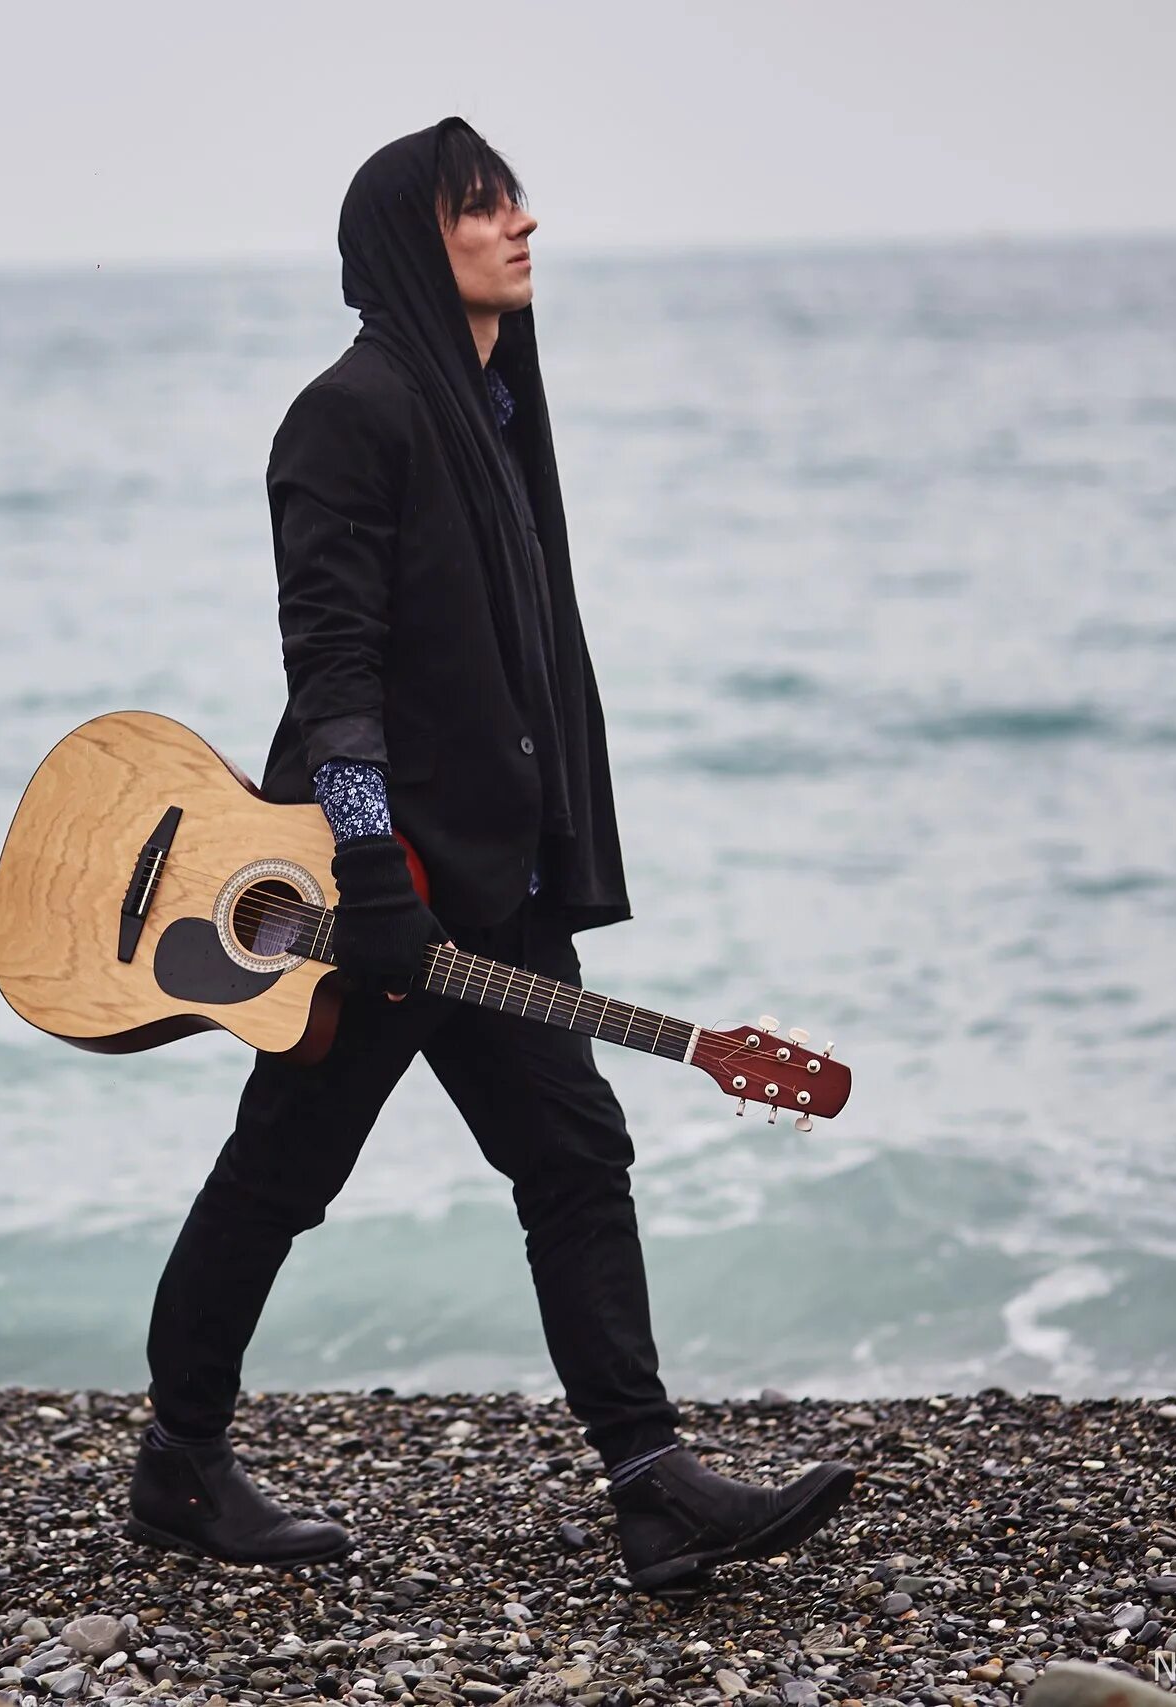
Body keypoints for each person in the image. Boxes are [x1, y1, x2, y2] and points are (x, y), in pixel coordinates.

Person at [123, 118, 856, 1591]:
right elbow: (333, 663)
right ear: (417, 239)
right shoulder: (351, 414)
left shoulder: (496, 406)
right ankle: (184, 1461)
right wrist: (372, 867)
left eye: (516, 197)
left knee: (574, 1156)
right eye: (483, 204)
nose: (521, 221)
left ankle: (650, 1483)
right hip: (371, 895)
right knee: (281, 1175)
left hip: (491, 887)